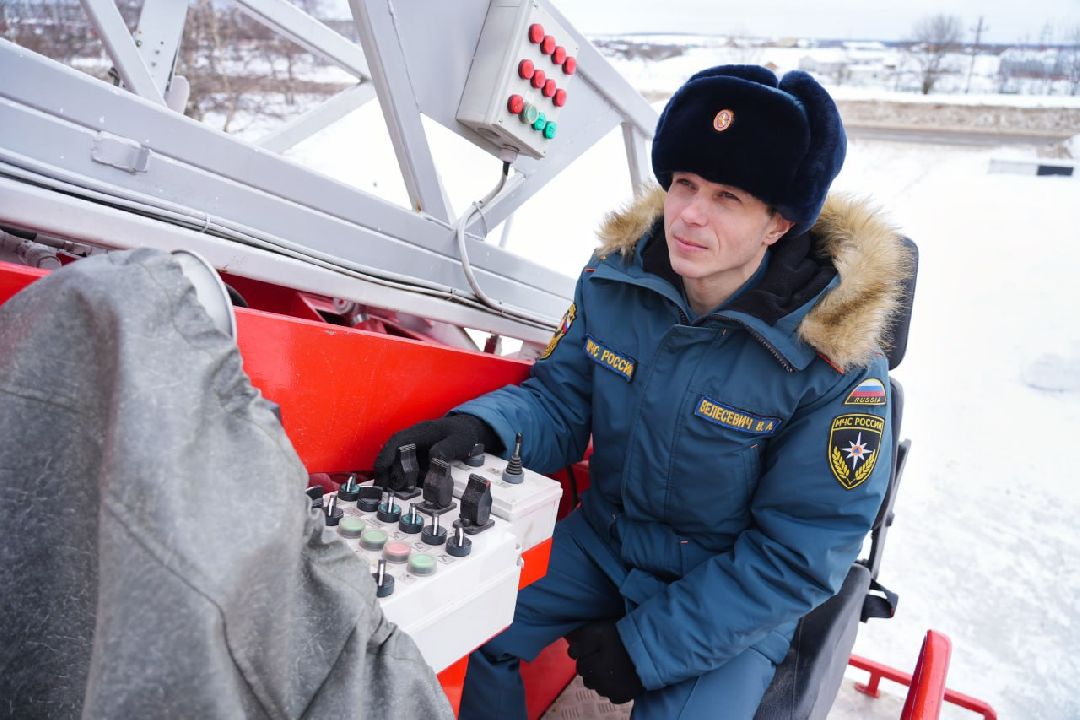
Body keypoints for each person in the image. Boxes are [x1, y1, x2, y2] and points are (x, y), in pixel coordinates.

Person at [374, 64, 911, 719]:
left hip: (730, 585)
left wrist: (647, 646)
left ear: (778, 225)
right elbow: (562, 400)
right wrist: (482, 431)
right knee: (470, 635)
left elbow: (796, 554)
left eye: (727, 198)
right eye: (684, 184)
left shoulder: (836, 360)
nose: (688, 214)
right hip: (607, 543)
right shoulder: (615, 279)